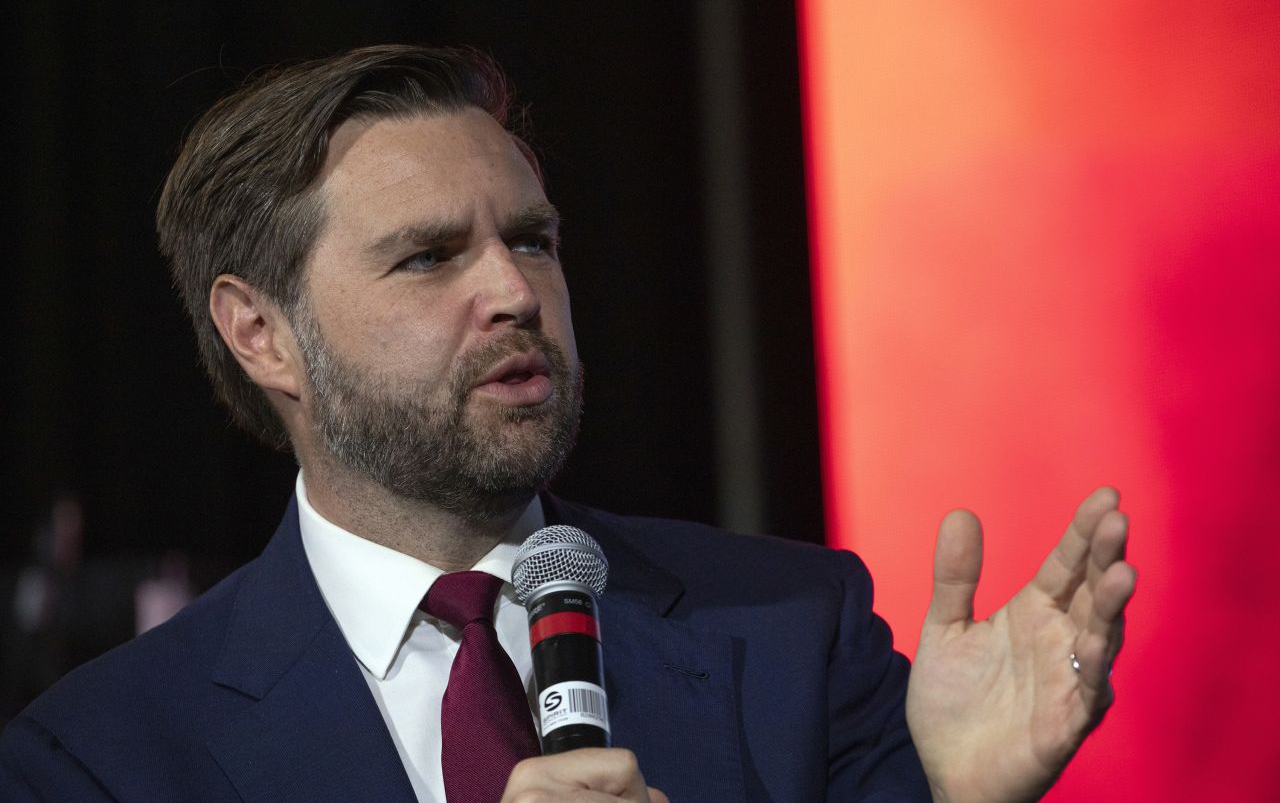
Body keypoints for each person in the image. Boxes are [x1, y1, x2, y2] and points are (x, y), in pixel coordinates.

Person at [0, 45, 1134, 802]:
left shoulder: (791, 629)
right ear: (261, 333)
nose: (512, 292)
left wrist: (947, 791)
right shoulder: (99, 757)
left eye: (531, 240)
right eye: (429, 255)